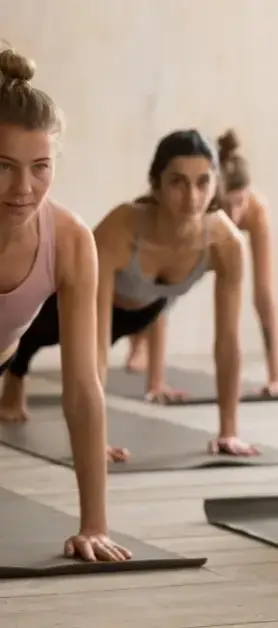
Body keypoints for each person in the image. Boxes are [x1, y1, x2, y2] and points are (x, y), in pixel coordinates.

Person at [1, 128, 261, 457]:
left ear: (215, 185)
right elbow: (93, 350)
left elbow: (228, 342)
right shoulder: (122, 228)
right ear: (157, 185)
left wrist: (229, 432)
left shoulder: (226, 244)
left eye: (202, 182)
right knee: (34, 333)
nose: (192, 197)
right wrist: (96, 441)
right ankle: (15, 375)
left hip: (146, 310)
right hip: (84, 298)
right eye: (178, 182)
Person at [0, 45, 132, 562]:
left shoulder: (71, 240)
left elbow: (82, 387)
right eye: (3, 166)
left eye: (40, 167)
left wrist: (94, 525)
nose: (23, 188)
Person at [123, 129, 278, 396]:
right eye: (228, 204)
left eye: (241, 202)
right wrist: (155, 384)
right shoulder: (199, 209)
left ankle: (277, 374)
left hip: (211, 249)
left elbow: (264, 294)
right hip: (154, 271)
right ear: (215, 197)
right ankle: (139, 344)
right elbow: (161, 284)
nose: (235, 213)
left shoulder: (257, 210)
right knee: (147, 289)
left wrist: (276, 378)